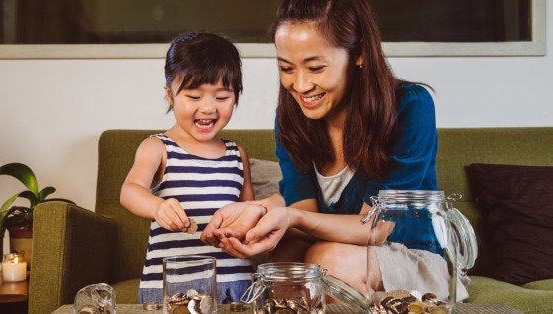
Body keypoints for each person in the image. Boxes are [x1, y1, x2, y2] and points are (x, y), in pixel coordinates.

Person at [201, 0, 469, 301]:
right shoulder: (290, 117)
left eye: (316, 68)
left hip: (411, 254)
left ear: (360, 53)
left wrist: (291, 218)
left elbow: (376, 228)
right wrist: (257, 217)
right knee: (281, 267)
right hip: (334, 247)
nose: (300, 85)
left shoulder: (410, 107)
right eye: (286, 68)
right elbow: (304, 211)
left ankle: (411, 302)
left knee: (326, 261)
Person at [120, 31, 256, 304]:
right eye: (194, 96)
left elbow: (248, 212)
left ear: (236, 95)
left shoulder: (236, 154)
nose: (208, 108)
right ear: (170, 94)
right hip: (171, 289)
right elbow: (130, 191)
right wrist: (158, 207)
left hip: (234, 286)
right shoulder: (158, 147)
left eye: (222, 97)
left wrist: (240, 231)